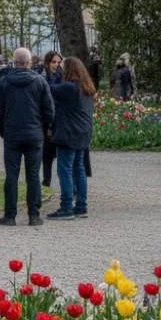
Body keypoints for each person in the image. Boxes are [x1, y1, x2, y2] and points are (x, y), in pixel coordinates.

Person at [0, 47, 54, 227]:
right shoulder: (40, 81)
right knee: (33, 175)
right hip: (34, 134)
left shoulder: (5, 82)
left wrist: (3, 131)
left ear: (14, 62)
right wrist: (42, 129)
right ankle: (34, 215)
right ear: (29, 62)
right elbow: (49, 110)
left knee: (11, 175)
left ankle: (10, 215)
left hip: (12, 134)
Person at [46, 57, 95, 220]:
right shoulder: (86, 86)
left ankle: (66, 207)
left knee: (65, 170)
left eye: (61, 66)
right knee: (78, 168)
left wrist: (55, 74)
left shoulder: (69, 87)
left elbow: (49, 88)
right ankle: (81, 206)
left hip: (69, 132)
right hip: (83, 131)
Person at [41, 50, 64, 188]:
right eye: (53, 62)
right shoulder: (43, 77)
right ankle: (46, 182)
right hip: (46, 121)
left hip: (60, 121)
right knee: (47, 155)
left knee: (62, 155)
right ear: (47, 63)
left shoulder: (63, 78)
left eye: (58, 62)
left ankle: (68, 186)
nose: (56, 65)